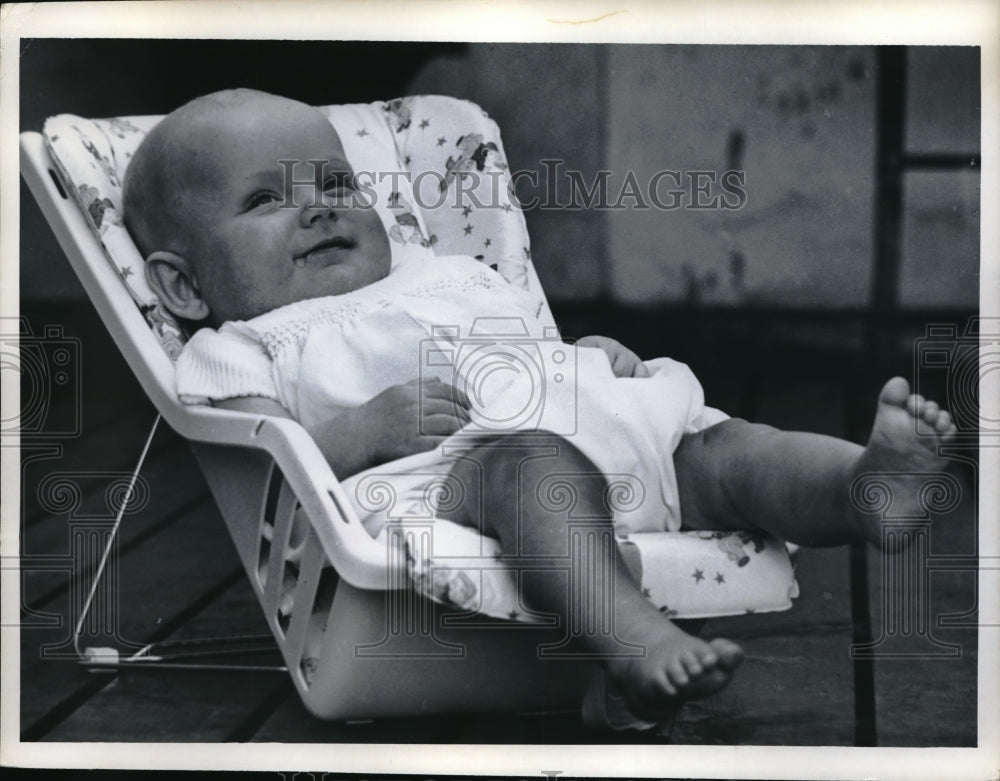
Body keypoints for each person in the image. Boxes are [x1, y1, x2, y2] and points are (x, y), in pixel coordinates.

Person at [122, 89, 957, 722]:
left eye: (336, 181)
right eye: (266, 200)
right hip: (460, 481)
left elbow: (525, 348)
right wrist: (356, 434)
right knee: (532, 468)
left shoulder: (436, 270)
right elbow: (264, 464)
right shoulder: (244, 345)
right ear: (184, 284)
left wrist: (585, 361)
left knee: (727, 446)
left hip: (611, 440)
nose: (319, 205)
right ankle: (632, 643)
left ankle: (861, 488)